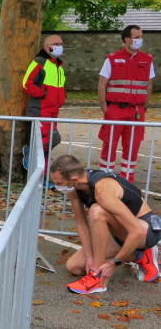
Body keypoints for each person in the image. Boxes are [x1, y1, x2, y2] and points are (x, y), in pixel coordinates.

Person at [49, 155, 159, 294]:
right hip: (121, 232)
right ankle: (141, 256)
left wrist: (114, 263)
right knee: (74, 267)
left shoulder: (102, 190)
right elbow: (81, 223)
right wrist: (89, 256)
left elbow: (137, 231)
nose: (56, 186)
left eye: (59, 183)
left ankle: (96, 278)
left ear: (74, 178)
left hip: (146, 231)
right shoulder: (73, 188)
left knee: (97, 211)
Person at [98, 25, 155, 183]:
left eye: (141, 36)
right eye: (137, 37)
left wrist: (144, 106)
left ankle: (127, 179)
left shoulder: (147, 59)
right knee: (109, 144)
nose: (140, 40)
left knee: (133, 145)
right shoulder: (112, 59)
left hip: (137, 110)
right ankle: (105, 178)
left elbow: (149, 85)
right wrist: (105, 109)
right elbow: (102, 85)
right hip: (116, 109)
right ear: (127, 39)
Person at [21, 34, 66, 175]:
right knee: (48, 140)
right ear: (47, 47)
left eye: (61, 44)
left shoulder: (59, 66)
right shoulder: (39, 62)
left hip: (53, 111)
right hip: (40, 110)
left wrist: (61, 99)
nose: (60, 46)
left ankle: (42, 174)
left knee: (51, 140)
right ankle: (33, 158)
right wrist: (42, 94)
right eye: (56, 44)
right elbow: (26, 83)